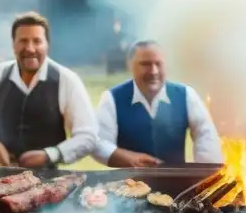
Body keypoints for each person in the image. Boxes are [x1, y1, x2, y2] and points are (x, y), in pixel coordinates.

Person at [0, 12, 97, 167]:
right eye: (23, 41)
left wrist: (51, 154)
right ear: (13, 45)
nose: (30, 49)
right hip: (3, 179)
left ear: (47, 45)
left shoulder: (67, 80)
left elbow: (88, 135)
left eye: (37, 41)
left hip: (51, 180)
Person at [93, 40, 222, 167]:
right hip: (128, 185)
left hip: (177, 185)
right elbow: (98, 143)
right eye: (145, 64)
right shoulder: (112, 98)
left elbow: (206, 136)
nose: (154, 71)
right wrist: (130, 158)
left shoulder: (186, 95)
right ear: (130, 65)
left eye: (158, 64)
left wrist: (205, 173)